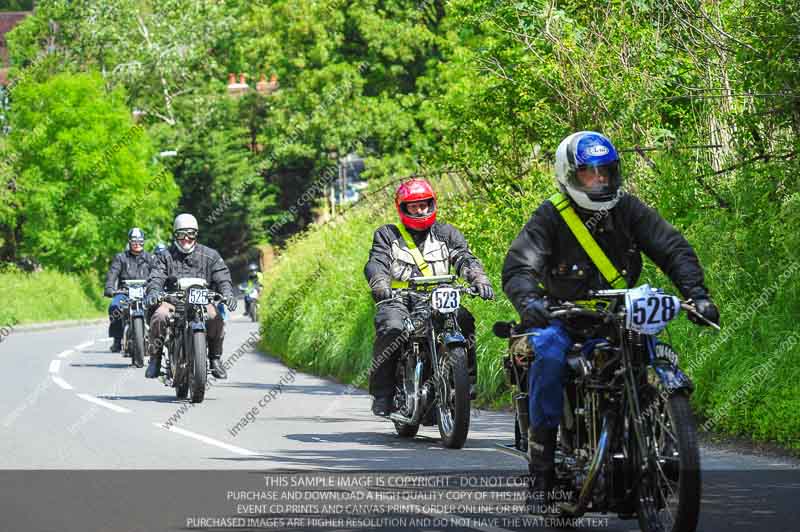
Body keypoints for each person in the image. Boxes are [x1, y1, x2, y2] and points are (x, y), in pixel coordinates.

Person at [502, 131, 720, 504]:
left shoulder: (628, 209)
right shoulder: (550, 216)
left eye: (606, 171)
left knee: (654, 355)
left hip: (624, 316)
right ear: (570, 174)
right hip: (566, 319)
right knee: (549, 359)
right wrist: (530, 302)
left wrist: (696, 295)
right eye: (590, 173)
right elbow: (520, 265)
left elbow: (671, 246)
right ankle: (542, 471)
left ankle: (658, 439)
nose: (600, 179)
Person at [364, 178, 495, 417]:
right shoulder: (387, 234)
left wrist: (479, 279)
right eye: (413, 206)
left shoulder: (446, 233)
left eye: (424, 204)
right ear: (403, 208)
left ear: (432, 204)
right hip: (400, 298)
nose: (420, 210)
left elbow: (464, 258)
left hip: (438, 297)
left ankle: (465, 382)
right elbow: (377, 263)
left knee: (464, 319)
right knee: (391, 328)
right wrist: (380, 283)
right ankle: (383, 394)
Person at [144, 214, 237, 380]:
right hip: (172, 301)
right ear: (175, 235)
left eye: (190, 234)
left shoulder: (211, 255)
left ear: (196, 234)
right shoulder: (164, 256)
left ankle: (215, 359)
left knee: (216, 317)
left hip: (202, 301)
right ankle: (155, 359)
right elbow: (156, 276)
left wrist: (228, 294)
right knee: (159, 316)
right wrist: (153, 291)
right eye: (181, 234)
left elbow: (222, 276)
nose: (186, 239)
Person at [103, 228, 154, 357]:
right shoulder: (121, 258)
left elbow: (157, 274)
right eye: (134, 241)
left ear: (143, 242)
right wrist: (109, 287)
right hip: (124, 292)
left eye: (140, 241)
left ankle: (156, 339)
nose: (137, 243)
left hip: (145, 292)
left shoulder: (150, 258)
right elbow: (112, 273)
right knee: (115, 307)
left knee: (157, 307)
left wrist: (157, 288)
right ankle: (117, 338)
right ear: (129, 242)